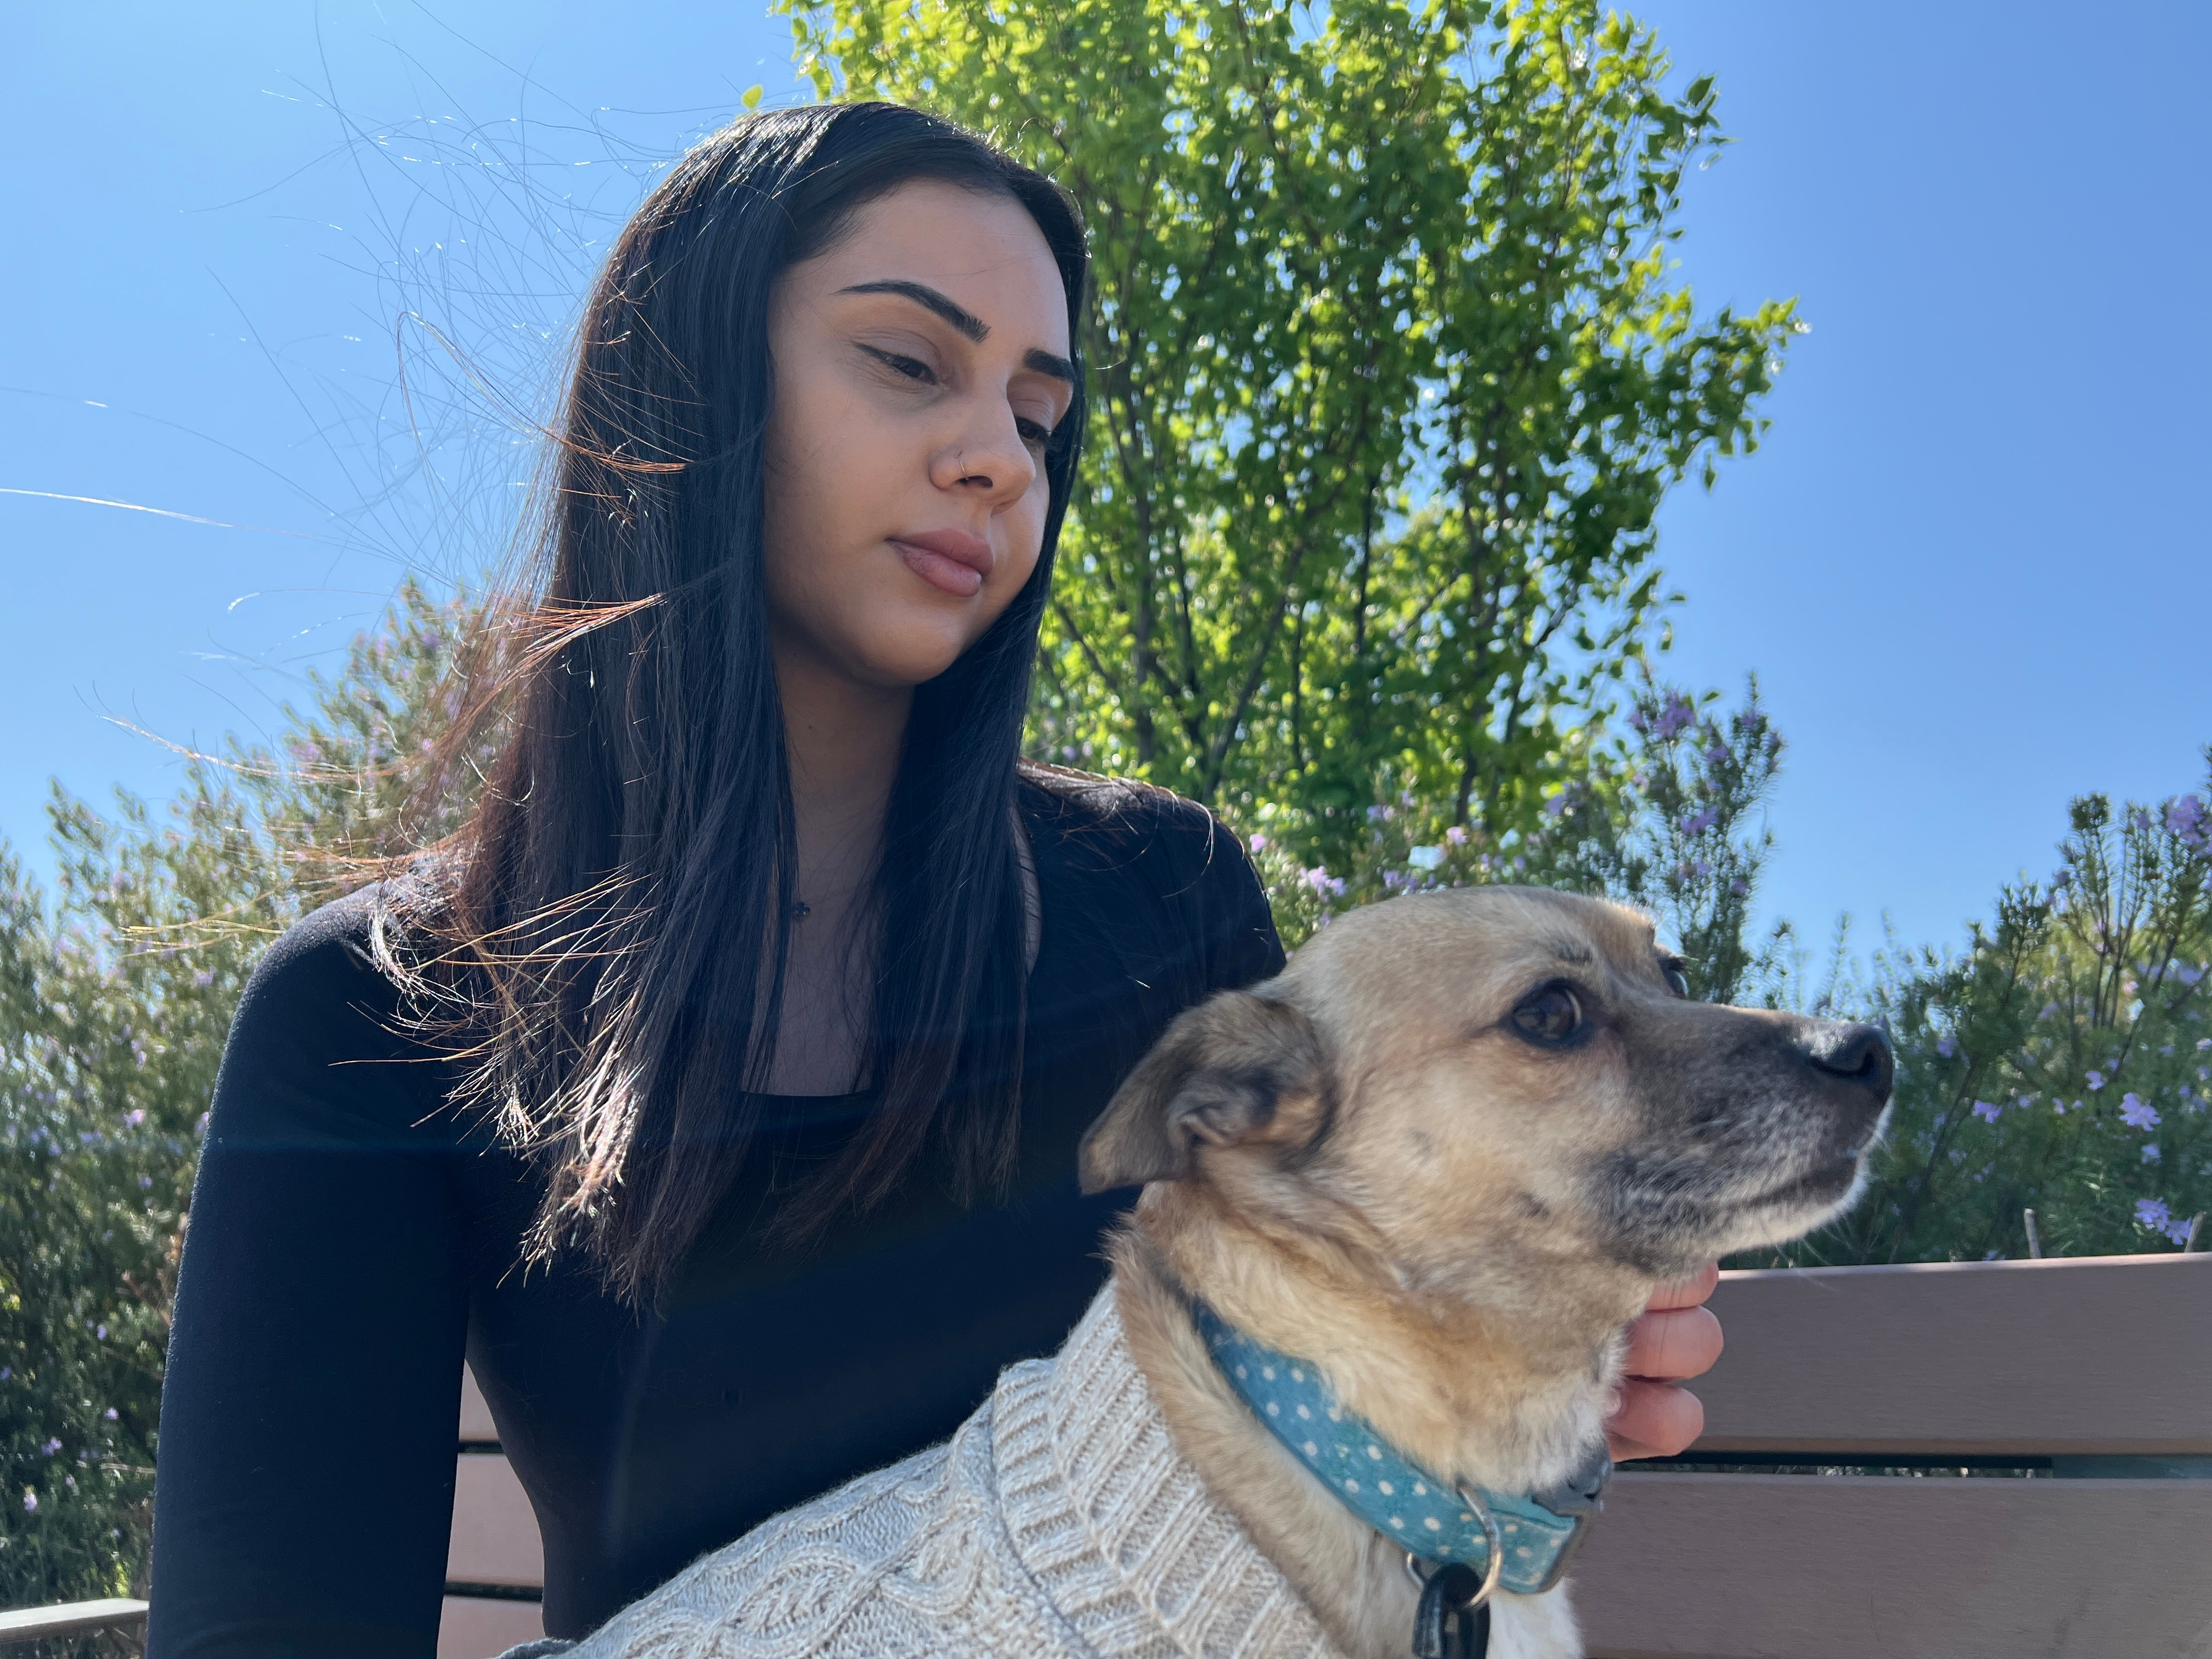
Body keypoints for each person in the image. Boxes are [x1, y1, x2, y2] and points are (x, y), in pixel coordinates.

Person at [147, 101, 1723, 1658]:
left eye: (1038, 419)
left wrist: (1532, 1396)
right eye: (909, 362)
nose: (995, 462)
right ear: (688, 380)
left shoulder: (1162, 900)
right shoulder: (371, 1010)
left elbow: (1334, 1492)